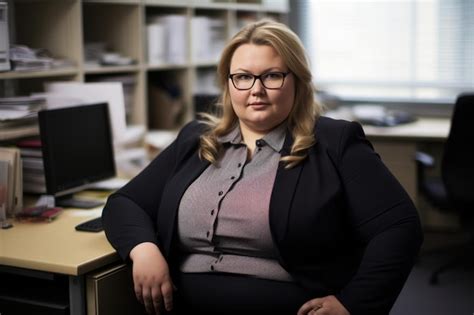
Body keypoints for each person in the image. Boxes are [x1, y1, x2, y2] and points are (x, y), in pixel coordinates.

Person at [102, 19, 423, 315]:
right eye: (242, 77)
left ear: (297, 81)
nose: (256, 89)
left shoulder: (334, 141)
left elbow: (399, 226)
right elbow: (125, 202)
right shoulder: (198, 138)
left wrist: (353, 304)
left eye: (271, 75)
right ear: (228, 84)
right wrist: (143, 250)